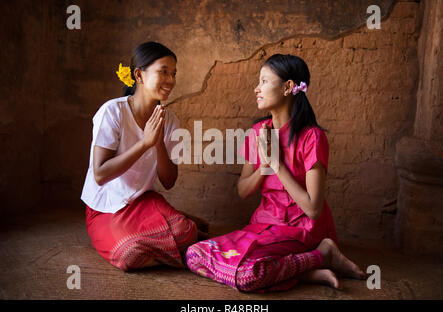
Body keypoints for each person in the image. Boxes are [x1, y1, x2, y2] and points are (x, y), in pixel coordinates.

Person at [186, 54, 366, 292]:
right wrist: (264, 166)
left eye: (264, 81)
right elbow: (243, 190)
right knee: (195, 254)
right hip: (263, 224)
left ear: (288, 87)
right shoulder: (258, 131)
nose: (256, 88)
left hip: (301, 229)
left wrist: (276, 163)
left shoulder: (312, 137)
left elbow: (313, 209)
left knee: (249, 275)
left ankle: (323, 252)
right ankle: (307, 269)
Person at [81, 41, 208, 272]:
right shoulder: (112, 111)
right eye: (164, 72)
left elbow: (168, 182)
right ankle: (172, 237)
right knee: (129, 255)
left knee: (186, 232)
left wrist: (158, 142)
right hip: (107, 207)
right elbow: (100, 175)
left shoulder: (170, 121)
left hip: (143, 201)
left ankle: (171, 231)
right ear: (139, 75)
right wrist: (144, 143)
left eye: (174, 73)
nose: (171, 80)